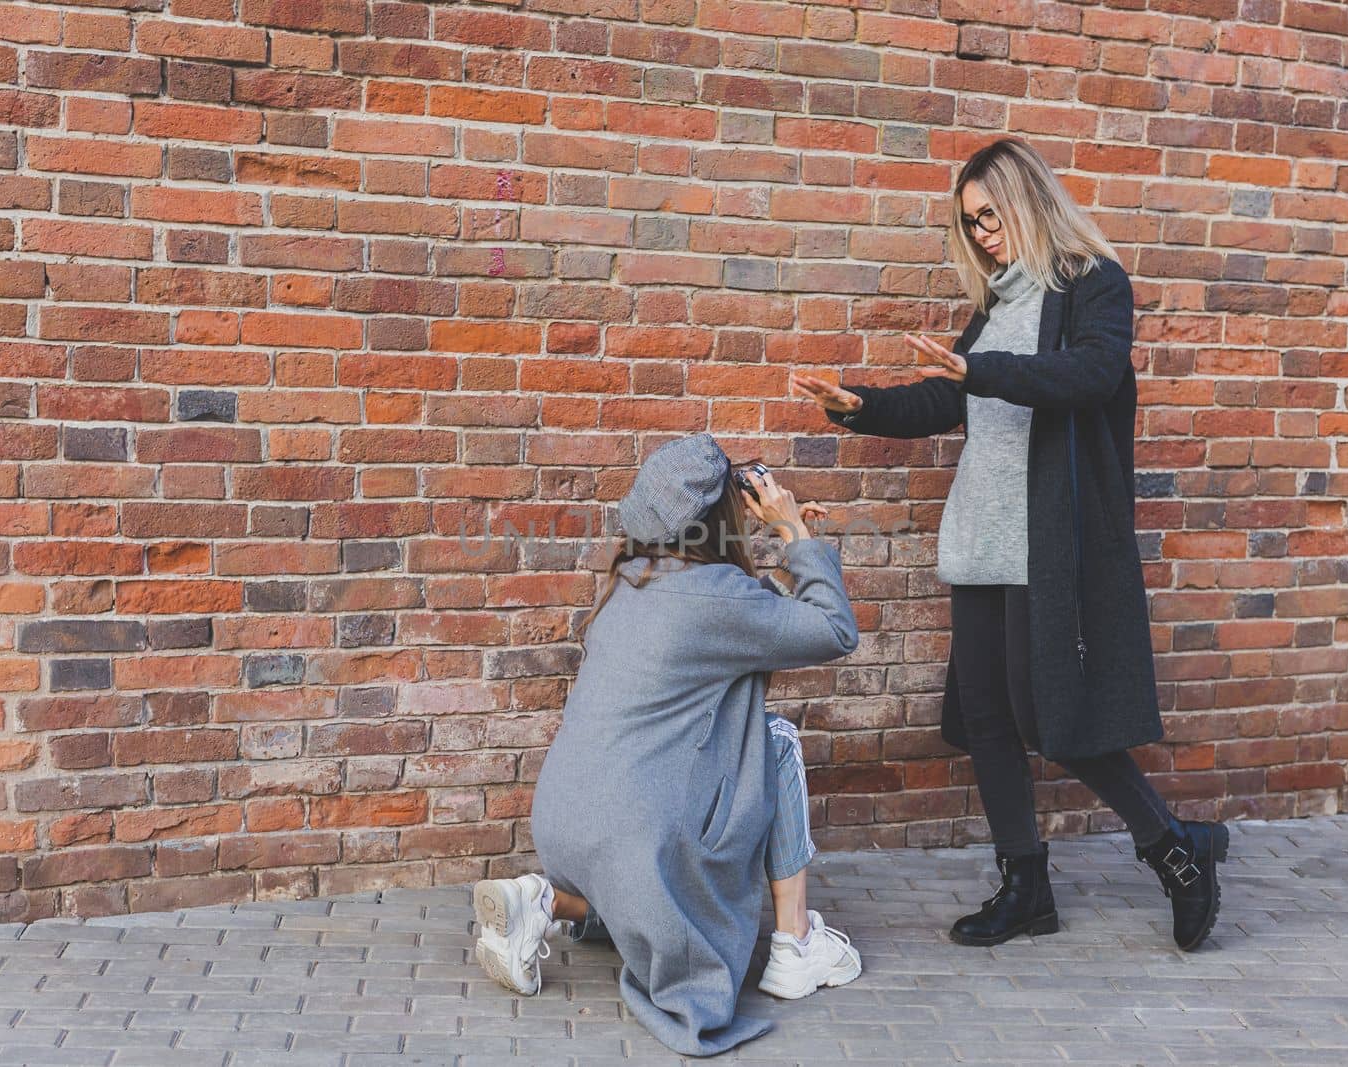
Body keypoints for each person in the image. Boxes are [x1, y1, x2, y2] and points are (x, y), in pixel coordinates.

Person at [793, 137, 1230, 953]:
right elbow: (948, 396)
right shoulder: (998, 301)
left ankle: (1174, 846)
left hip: (1047, 542)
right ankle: (1024, 884)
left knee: (1051, 717)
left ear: (1027, 200)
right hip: (981, 535)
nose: (984, 235)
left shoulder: (1093, 283)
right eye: (970, 224)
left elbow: (1090, 376)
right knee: (988, 716)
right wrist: (860, 404)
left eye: (991, 216)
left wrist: (979, 371)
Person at [470, 432, 863, 1056]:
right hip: (635, 834)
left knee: (636, 866)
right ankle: (794, 946)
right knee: (777, 739)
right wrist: (795, 536)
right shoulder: (719, 598)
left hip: (567, 824)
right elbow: (832, 630)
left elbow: (759, 622)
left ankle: (541, 900)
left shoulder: (631, 579)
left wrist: (794, 543)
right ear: (723, 518)